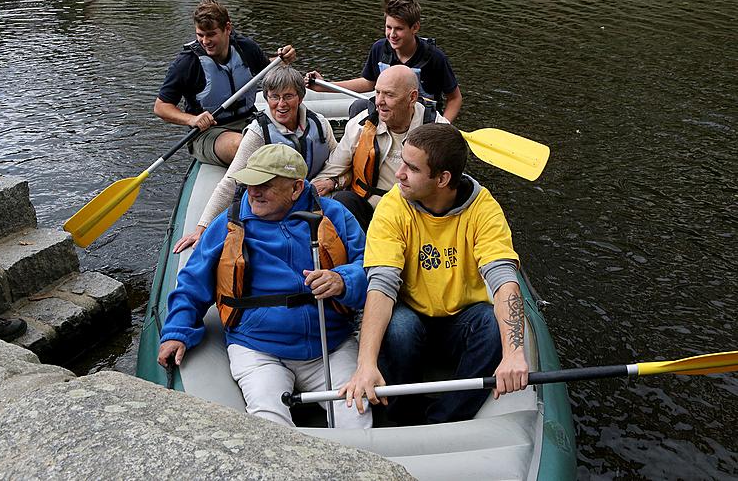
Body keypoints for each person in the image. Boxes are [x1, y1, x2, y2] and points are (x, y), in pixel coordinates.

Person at [158, 144, 372, 429]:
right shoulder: (229, 224)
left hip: (329, 346)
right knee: (269, 423)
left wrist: (343, 280)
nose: (253, 192)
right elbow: (191, 283)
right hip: (258, 349)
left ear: (296, 188)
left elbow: (369, 267)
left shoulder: (335, 216)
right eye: (249, 183)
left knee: (356, 415)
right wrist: (176, 332)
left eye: (265, 185)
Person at [340, 123, 529, 425]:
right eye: (401, 161)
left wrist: (515, 354)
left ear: (442, 179)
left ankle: (444, 420)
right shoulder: (393, 206)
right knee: (400, 328)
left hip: (461, 318)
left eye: (411, 168)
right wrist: (365, 364)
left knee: (491, 326)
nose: (399, 173)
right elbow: (382, 285)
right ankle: (400, 413)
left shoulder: (484, 209)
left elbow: (503, 278)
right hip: (411, 313)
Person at [172, 65, 338, 253]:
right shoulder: (258, 132)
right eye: (274, 97)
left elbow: (340, 162)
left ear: (300, 97)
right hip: (279, 207)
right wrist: (202, 227)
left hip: (316, 199)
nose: (281, 104)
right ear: (267, 98)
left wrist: (332, 181)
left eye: (288, 96)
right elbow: (231, 182)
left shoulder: (320, 124)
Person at [154, 0, 296, 167]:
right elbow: (161, 106)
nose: (205, 41)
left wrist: (282, 59)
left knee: (290, 138)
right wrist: (192, 120)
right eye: (200, 35)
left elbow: (266, 69)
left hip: (250, 120)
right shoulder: (187, 63)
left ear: (228, 28)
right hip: (209, 132)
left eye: (211, 34)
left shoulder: (246, 48)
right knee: (243, 146)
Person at [311, 65, 448, 231]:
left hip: (419, 213)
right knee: (343, 200)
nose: (379, 102)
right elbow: (333, 170)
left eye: (389, 95)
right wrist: (330, 183)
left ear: (412, 97)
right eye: (377, 92)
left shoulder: (439, 130)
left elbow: (451, 185)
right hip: (372, 211)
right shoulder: (361, 125)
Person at [306, 0, 462, 122]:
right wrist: (324, 85)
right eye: (389, 27)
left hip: (421, 117)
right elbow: (368, 82)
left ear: (415, 27)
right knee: (358, 107)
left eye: (399, 29)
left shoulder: (435, 57)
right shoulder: (380, 48)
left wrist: (443, 126)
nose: (392, 35)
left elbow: (454, 98)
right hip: (389, 111)